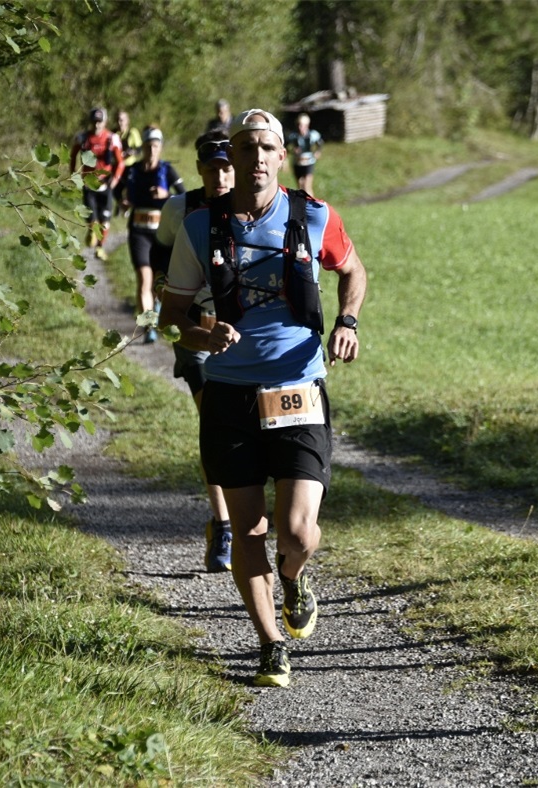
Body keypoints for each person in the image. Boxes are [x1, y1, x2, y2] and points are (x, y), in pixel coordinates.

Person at [161, 109, 367, 688]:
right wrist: (204, 333)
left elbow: (353, 271)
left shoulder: (313, 215)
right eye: (244, 148)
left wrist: (347, 321)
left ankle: (295, 579)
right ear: (232, 159)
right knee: (248, 528)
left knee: (298, 533)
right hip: (229, 392)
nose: (254, 158)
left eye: (265, 148)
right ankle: (270, 644)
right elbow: (172, 312)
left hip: (297, 385)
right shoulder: (201, 227)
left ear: (282, 156)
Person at [153, 129, 235, 572]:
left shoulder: (252, 206)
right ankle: (223, 525)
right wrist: (170, 297)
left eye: (227, 167)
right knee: (216, 424)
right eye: (212, 168)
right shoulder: (179, 208)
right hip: (196, 332)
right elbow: (157, 254)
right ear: (199, 169)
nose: (220, 176)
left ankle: (249, 519)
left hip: (246, 335)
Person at [121, 126, 185, 343]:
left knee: (162, 280)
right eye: (148, 146)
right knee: (143, 279)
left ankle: (159, 307)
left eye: (155, 146)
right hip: (139, 231)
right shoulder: (133, 171)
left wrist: (166, 194)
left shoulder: (167, 171)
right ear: (143, 148)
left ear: (160, 148)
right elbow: (117, 190)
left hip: (163, 232)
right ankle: (149, 326)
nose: (151, 150)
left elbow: (185, 196)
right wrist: (123, 200)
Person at [69, 107, 124, 261]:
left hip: (106, 186)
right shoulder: (82, 138)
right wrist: (73, 175)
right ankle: (92, 230)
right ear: (90, 122)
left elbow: (120, 162)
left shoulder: (112, 139)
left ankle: (100, 248)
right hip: (88, 185)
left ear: (104, 122)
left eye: (100, 122)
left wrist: (116, 178)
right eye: (94, 122)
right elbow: (72, 156)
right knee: (93, 220)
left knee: (105, 222)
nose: (97, 125)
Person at [112, 110, 143, 216]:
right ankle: (121, 204)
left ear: (127, 121)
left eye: (122, 120)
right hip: (117, 165)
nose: (119, 123)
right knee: (116, 188)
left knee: (130, 187)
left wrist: (132, 152)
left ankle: (129, 207)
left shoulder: (132, 132)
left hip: (130, 165)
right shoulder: (113, 133)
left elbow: (139, 148)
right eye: (118, 120)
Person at [286, 113, 324, 197]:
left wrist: (318, 152)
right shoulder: (293, 136)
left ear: (307, 125)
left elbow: (320, 144)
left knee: (307, 186)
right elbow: (285, 147)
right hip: (297, 163)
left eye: (302, 125)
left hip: (308, 162)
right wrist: (292, 151)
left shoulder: (313, 135)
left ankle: (311, 205)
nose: (300, 128)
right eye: (299, 125)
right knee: (300, 186)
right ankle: (303, 206)